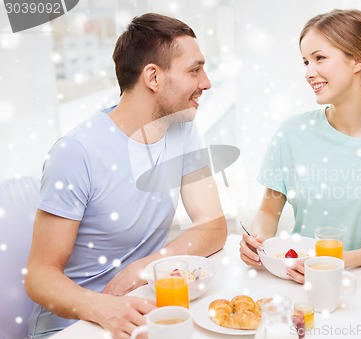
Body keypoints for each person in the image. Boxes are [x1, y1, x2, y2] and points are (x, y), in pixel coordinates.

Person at [25, 13, 227, 338]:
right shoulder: (76, 151)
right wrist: (102, 309)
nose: (206, 82)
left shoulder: (182, 129)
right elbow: (39, 275)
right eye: (194, 70)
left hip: (143, 309)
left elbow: (212, 226)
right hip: (77, 325)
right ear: (153, 77)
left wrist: (147, 266)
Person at [240, 9, 361, 281]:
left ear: (356, 59)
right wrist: (258, 241)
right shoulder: (291, 133)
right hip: (298, 280)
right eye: (305, 61)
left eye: (319, 58)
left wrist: (338, 262)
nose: (308, 72)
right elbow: (269, 209)